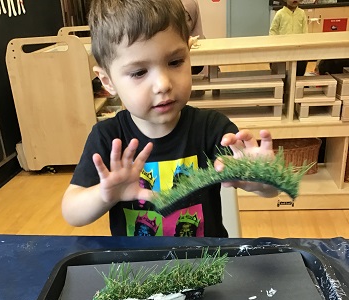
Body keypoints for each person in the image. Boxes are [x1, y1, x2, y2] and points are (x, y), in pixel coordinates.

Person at [62, 0, 278, 238]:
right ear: (107, 81)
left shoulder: (212, 129)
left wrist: (260, 178)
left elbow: (268, 191)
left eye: (175, 62)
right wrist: (105, 195)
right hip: (139, 269)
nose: (163, 84)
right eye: (139, 72)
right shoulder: (108, 138)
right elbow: (72, 212)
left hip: (205, 264)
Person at [269, 0, 308, 77]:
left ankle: (297, 82)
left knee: (299, 69)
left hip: (298, 48)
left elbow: (305, 32)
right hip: (283, 48)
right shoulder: (280, 14)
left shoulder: (301, 13)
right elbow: (273, 31)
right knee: (281, 71)